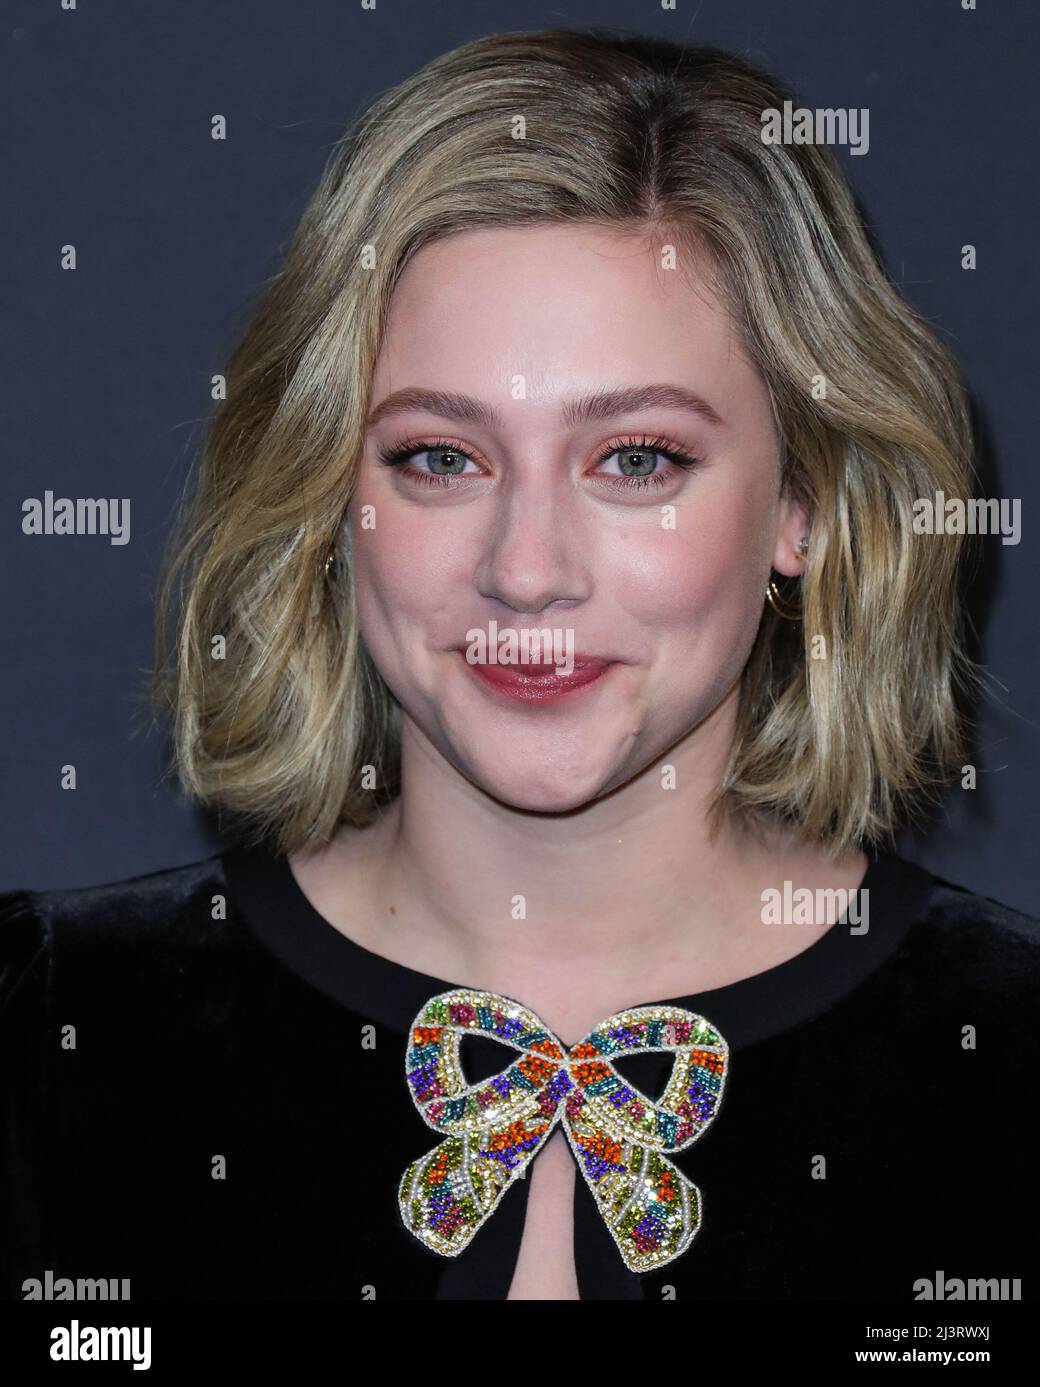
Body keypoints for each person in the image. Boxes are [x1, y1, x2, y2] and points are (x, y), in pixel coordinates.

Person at [2, 28, 1037, 1303]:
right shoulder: (45, 1033)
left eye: (637, 458)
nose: (527, 568)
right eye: (440, 456)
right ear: (329, 496)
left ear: (802, 504)